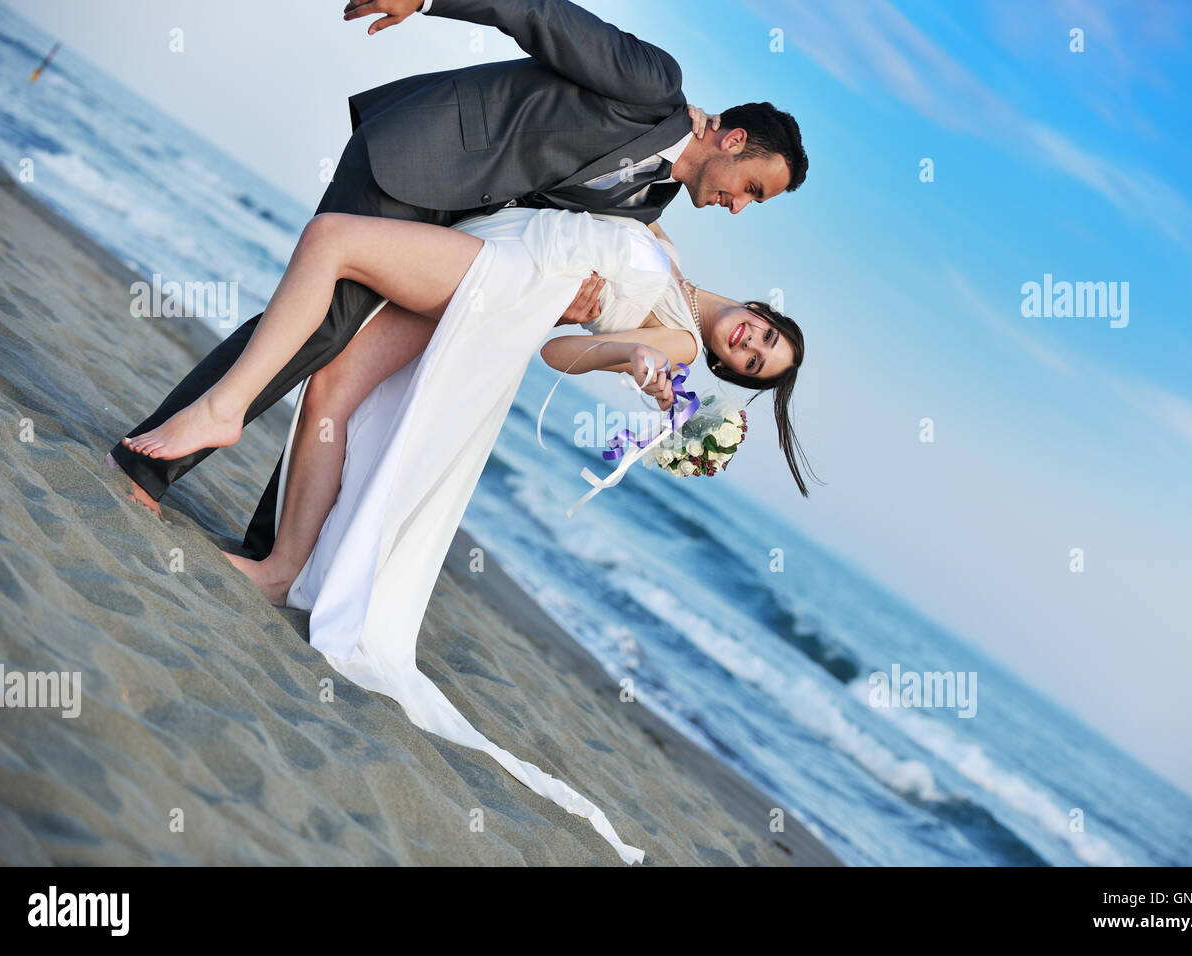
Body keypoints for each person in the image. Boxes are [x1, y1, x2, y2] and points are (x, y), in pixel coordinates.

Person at [118, 202, 815, 864]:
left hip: (501, 295)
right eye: (766, 337)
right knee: (334, 386)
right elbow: (624, 186)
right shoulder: (672, 255)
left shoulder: (679, 342)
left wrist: (629, 362)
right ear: (762, 312)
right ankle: (284, 565)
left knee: (339, 287)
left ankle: (276, 563)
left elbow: (561, 354)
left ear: (726, 370)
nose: (750, 345)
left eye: (754, 363)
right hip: (499, 249)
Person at [106, 0, 809, 569]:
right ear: (734, 140)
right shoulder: (655, 84)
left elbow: (553, 231)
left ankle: (270, 549)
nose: (739, 205)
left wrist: (573, 304)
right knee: (322, 328)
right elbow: (538, 13)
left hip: (459, 231)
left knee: (342, 363)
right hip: (422, 152)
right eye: (751, 188)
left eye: (755, 203)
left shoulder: (648, 206)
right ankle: (152, 469)